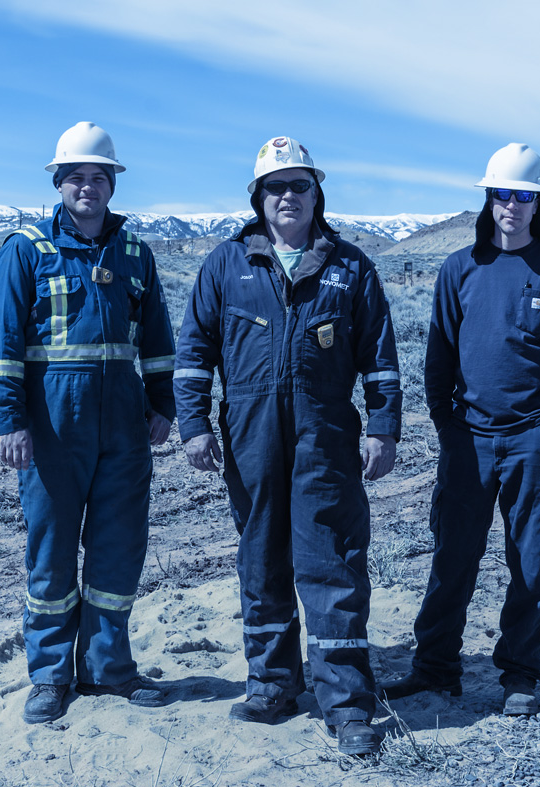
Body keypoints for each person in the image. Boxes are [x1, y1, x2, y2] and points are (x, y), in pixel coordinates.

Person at [174, 136, 401, 755]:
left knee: (331, 562)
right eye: (276, 187)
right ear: (258, 197)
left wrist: (383, 428)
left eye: (299, 185)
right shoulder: (226, 264)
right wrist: (193, 425)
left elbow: (380, 359)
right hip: (249, 434)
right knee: (261, 557)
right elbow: (194, 353)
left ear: (315, 193)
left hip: (324, 434)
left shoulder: (350, 266)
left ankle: (347, 703)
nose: (288, 197)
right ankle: (273, 685)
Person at [380, 143, 540, 715]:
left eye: (524, 196)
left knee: (532, 561)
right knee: (453, 557)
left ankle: (520, 676)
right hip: (467, 438)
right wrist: (446, 425)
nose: (512, 206)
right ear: (488, 198)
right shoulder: (460, 268)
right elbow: (438, 354)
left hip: (532, 441)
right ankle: (434, 669)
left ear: (537, 203)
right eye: (502, 194)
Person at [0, 121, 176, 725]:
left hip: (123, 423)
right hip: (50, 425)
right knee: (53, 552)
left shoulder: (135, 254)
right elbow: (3, 340)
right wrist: (10, 420)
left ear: (112, 184)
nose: (87, 186)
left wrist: (163, 404)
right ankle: (48, 676)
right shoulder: (27, 249)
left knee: (118, 549)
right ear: (59, 183)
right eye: (76, 177)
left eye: (99, 176)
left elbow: (158, 339)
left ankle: (107, 669)